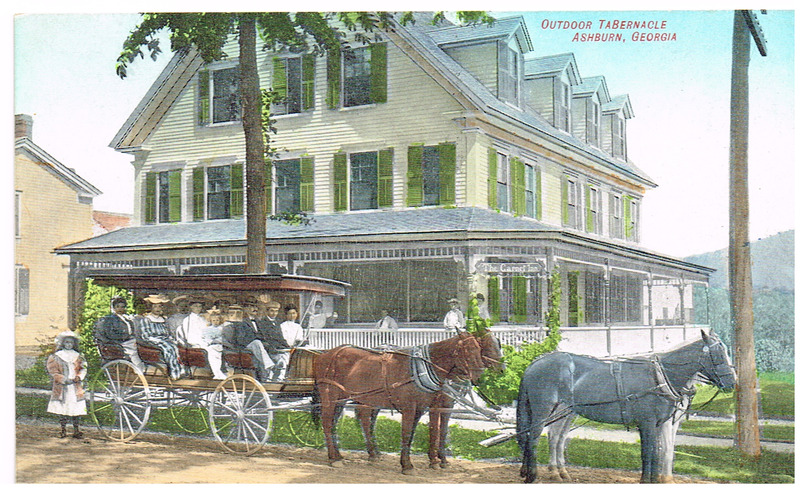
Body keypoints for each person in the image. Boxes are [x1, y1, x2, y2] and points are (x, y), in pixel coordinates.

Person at [46, 330, 88, 439]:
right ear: (63, 343)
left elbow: (83, 368)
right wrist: (63, 379)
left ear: (74, 344)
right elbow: (53, 371)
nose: (69, 345)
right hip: (63, 387)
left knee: (76, 408)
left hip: (75, 386)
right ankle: (63, 430)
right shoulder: (57, 356)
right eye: (67, 342)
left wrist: (79, 377)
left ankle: (76, 430)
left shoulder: (78, 356)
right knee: (63, 408)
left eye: (71, 343)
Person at [136, 294, 187, 379]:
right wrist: (160, 340)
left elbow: (167, 333)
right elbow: (146, 336)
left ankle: (181, 368)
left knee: (177, 346)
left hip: (164, 340)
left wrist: (172, 339)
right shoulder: (146, 319)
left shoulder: (163, 319)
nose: (158, 309)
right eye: (155, 307)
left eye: (160, 306)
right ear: (151, 308)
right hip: (151, 341)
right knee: (168, 347)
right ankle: (174, 372)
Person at [177, 298, 226, 379]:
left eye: (199, 306)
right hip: (195, 344)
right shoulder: (187, 320)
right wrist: (202, 342)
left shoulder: (203, 319)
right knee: (212, 350)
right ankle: (217, 373)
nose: (198, 308)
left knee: (220, 347)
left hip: (206, 342)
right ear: (191, 307)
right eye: (195, 306)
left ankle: (222, 370)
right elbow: (188, 336)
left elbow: (208, 331)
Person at [225, 303, 275, 383]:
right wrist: (255, 339)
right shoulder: (240, 321)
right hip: (244, 346)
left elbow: (263, 336)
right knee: (257, 343)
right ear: (246, 309)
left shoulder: (258, 322)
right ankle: (269, 366)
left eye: (255, 306)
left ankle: (267, 378)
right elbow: (240, 339)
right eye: (252, 307)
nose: (255, 309)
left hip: (258, 348)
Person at [94, 296, 145, 372]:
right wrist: (126, 338)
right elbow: (111, 334)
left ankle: (143, 366)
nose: (120, 309)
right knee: (134, 349)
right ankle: (140, 370)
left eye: (123, 307)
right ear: (113, 308)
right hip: (119, 343)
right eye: (118, 307)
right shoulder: (110, 319)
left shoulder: (128, 319)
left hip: (128, 341)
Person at [256, 301, 292, 380]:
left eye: (276, 311)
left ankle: (281, 375)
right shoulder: (262, 323)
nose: (274, 313)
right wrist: (276, 348)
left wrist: (288, 346)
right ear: (267, 311)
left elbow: (280, 337)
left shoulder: (277, 322)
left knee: (289, 355)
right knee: (283, 357)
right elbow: (265, 338)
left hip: (278, 348)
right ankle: (279, 377)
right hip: (270, 349)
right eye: (272, 311)